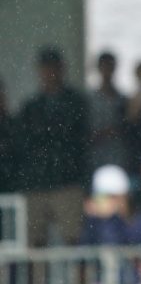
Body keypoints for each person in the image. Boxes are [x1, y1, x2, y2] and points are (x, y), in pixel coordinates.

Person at [16, 46, 89, 246]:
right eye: (45, 68)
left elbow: (81, 141)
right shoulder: (31, 106)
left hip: (68, 180)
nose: (49, 73)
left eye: (53, 67)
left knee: (73, 240)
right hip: (37, 182)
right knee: (35, 243)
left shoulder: (76, 103)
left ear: (62, 68)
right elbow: (24, 143)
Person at [88, 51, 129, 172]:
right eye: (104, 67)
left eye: (109, 67)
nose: (107, 71)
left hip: (118, 157)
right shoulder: (90, 100)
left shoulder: (123, 99)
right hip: (95, 158)